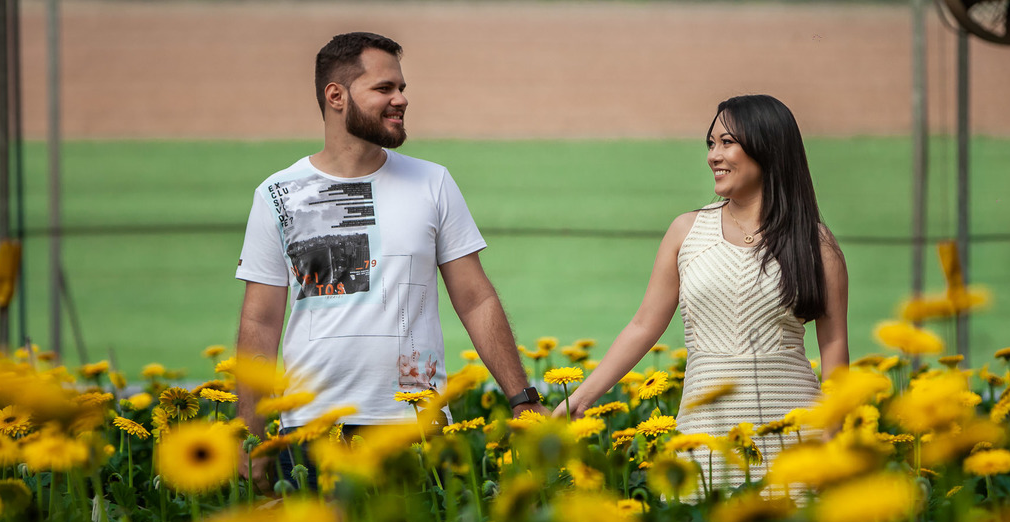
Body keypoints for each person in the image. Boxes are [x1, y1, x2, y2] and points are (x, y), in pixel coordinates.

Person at [234, 32, 545, 490]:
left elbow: (476, 299)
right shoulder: (278, 194)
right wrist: (250, 436)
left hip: (419, 424)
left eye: (401, 89)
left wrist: (522, 398)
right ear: (335, 96)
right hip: (312, 431)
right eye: (384, 89)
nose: (401, 99)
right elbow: (260, 321)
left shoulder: (432, 182)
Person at [553, 95, 849, 488]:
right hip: (704, 434)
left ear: (768, 147)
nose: (714, 156)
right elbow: (643, 325)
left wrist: (830, 438)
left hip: (796, 440)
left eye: (727, 142)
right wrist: (581, 397)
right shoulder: (686, 232)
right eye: (711, 143)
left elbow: (834, 347)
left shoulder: (816, 243)